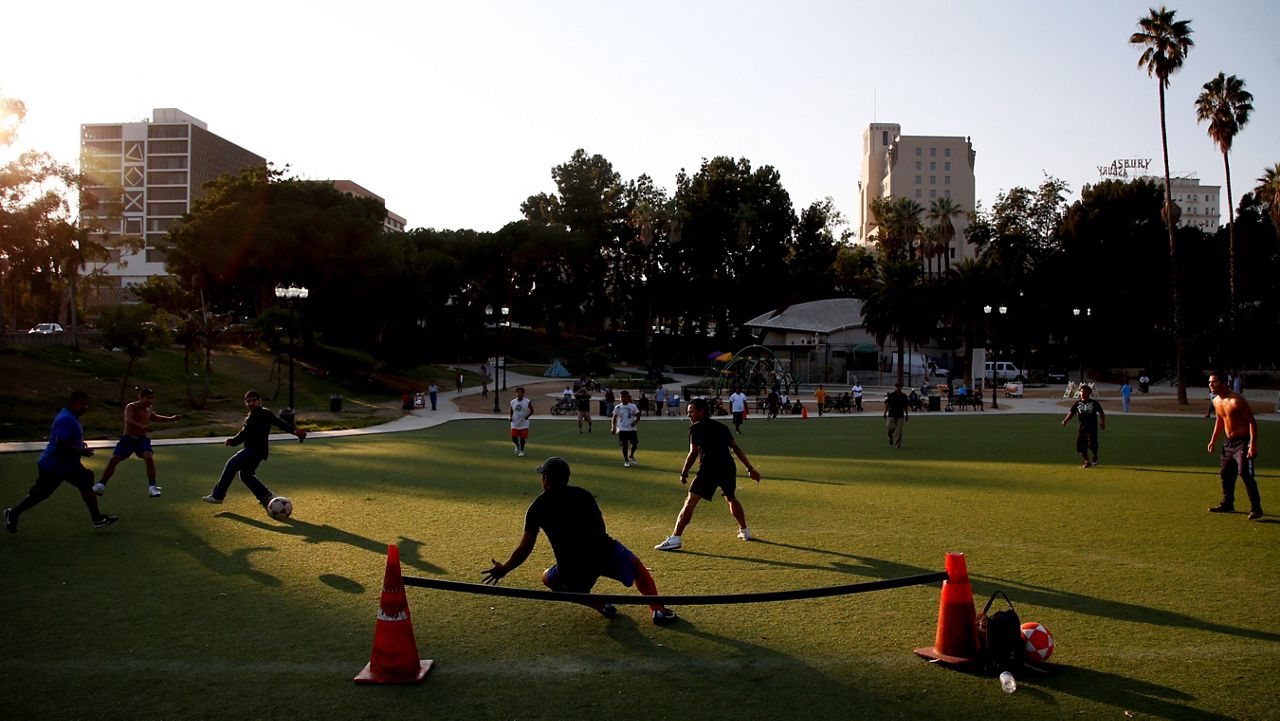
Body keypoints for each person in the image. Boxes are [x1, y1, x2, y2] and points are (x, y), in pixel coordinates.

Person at [483, 457, 677, 625]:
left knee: (547, 579)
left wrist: (504, 569)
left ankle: (599, 604)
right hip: (604, 553)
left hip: (571, 567)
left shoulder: (537, 507)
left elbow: (525, 548)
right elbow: (602, 528)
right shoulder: (583, 495)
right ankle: (658, 609)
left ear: (545, 480)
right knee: (637, 569)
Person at [655, 398, 761, 551]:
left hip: (709, 469)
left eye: (692, 411)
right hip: (727, 467)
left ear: (702, 411)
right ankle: (744, 531)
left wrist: (684, 472)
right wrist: (750, 468)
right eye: (688, 412)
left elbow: (693, 453)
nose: (689, 415)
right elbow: (735, 448)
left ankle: (675, 538)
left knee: (690, 501)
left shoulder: (695, 428)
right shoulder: (722, 427)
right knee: (731, 498)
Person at [5, 391, 118, 533]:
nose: (85, 407)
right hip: (54, 465)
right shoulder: (66, 418)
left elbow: (65, 438)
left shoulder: (71, 416)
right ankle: (13, 512)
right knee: (41, 494)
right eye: (82, 403)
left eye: (87, 404)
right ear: (72, 403)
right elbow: (61, 444)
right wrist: (80, 451)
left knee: (86, 479)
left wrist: (79, 444)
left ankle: (97, 518)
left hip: (68, 464)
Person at [202, 390, 307, 508]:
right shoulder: (250, 416)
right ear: (245, 403)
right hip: (253, 450)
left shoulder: (265, 413)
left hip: (255, 450)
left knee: (232, 464)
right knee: (245, 475)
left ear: (259, 401)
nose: (251, 403)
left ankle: (218, 496)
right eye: (248, 401)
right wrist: (233, 441)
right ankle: (266, 496)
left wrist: (295, 431)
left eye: (253, 400)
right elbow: (244, 433)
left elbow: (279, 423)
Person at [93, 388, 181, 498]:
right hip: (128, 439)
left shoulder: (149, 408)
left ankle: (152, 487)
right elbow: (128, 420)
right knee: (114, 459)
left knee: (149, 458)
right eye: (148, 398)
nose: (150, 401)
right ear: (141, 397)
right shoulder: (131, 406)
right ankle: (101, 484)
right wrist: (141, 426)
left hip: (142, 440)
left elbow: (154, 417)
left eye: (152, 398)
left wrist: (171, 419)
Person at [1206, 372, 1262, 520]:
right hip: (1228, 442)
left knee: (1244, 472)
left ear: (1225, 383)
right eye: (1210, 382)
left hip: (1243, 442)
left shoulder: (1237, 401)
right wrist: (1213, 440)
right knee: (1225, 474)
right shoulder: (1216, 401)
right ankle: (1228, 504)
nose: (1211, 385)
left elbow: (1252, 422)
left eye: (1214, 382)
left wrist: (1252, 445)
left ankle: (1256, 508)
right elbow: (1220, 420)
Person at [1060, 384, 1105, 468]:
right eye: (1081, 391)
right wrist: (1065, 420)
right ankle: (1087, 461)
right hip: (1082, 428)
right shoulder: (1078, 403)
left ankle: (1095, 455)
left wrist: (1102, 422)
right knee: (1080, 446)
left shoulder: (1094, 403)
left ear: (1088, 393)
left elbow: (1101, 412)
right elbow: (1071, 413)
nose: (1081, 393)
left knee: (1092, 445)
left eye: (1084, 391)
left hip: (1092, 428)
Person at [611, 390, 641, 467]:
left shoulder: (633, 406)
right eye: (621, 397)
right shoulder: (618, 407)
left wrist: (634, 422)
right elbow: (614, 418)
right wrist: (613, 427)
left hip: (631, 428)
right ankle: (626, 461)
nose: (622, 398)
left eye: (624, 397)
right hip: (621, 428)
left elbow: (638, 416)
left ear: (627, 397)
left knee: (635, 444)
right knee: (624, 445)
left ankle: (631, 455)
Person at [509, 386, 534, 457]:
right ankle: (517, 445)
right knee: (514, 438)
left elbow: (532, 411)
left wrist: (527, 416)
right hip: (515, 422)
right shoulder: (513, 402)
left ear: (523, 393)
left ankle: (521, 451)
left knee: (522, 438)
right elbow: (511, 411)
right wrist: (510, 417)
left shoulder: (527, 401)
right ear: (516, 393)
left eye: (520, 392)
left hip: (524, 423)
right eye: (518, 392)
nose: (519, 393)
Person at [883, 382, 909, 448]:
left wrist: (907, 415)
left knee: (899, 430)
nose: (899, 388)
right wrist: (885, 413)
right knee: (890, 428)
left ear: (901, 387)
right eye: (897, 386)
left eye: (900, 386)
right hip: (892, 414)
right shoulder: (891, 395)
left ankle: (897, 443)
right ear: (896, 387)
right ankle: (890, 435)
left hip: (900, 414)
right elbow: (887, 404)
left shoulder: (903, 396)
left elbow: (905, 406)